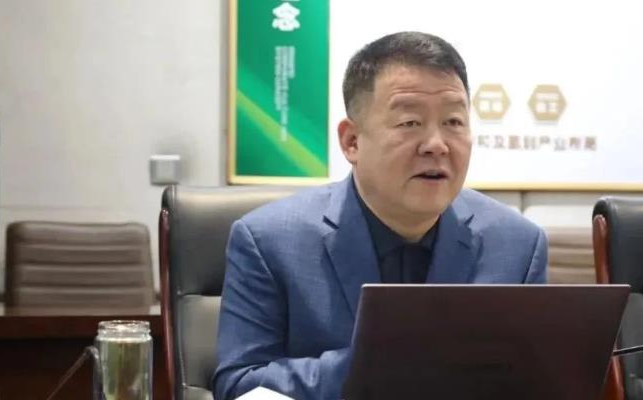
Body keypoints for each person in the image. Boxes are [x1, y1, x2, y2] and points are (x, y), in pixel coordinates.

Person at [213, 31, 548, 400]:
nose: (436, 145)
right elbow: (240, 384)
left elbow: (533, 380)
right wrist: (381, 363)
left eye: (453, 122)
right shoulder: (269, 241)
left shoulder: (518, 245)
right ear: (352, 141)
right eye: (409, 123)